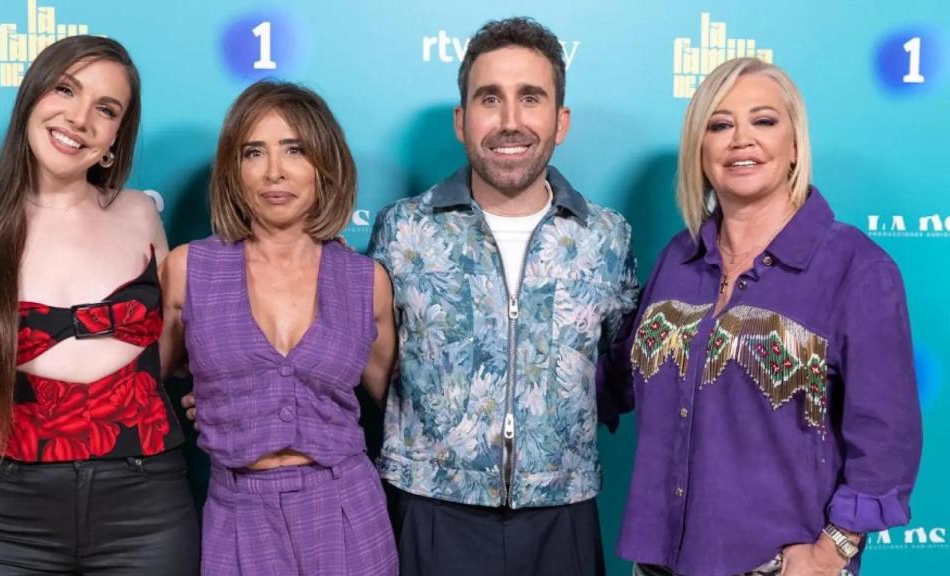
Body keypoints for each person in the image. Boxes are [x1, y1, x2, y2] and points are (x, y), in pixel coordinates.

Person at [614, 57, 922, 576]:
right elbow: (617, 377)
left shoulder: (857, 268)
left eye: (763, 120)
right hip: (657, 563)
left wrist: (833, 552)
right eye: (720, 124)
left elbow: (886, 438)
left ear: (795, 144)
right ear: (701, 149)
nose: (741, 139)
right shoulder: (676, 259)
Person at [367, 17, 639, 576]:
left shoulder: (606, 237)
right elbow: (370, 359)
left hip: (562, 513)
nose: (510, 121)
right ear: (462, 120)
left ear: (560, 121)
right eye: (490, 99)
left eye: (530, 98)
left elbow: (619, 367)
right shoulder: (403, 230)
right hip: (430, 510)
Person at [0, 36, 199, 576]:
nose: (79, 118)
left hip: (149, 512)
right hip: (11, 521)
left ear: (116, 137)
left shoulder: (142, 214)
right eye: (65, 89)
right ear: (31, 97)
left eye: (106, 109)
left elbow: (172, 352)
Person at [161, 80, 398, 575]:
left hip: (347, 509)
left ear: (324, 164)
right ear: (233, 168)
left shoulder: (365, 281)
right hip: (237, 513)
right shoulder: (190, 270)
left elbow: (397, 404)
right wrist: (213, 399)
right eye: (254, 152)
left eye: (295, 150)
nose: (274, 172)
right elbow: (142, 390)